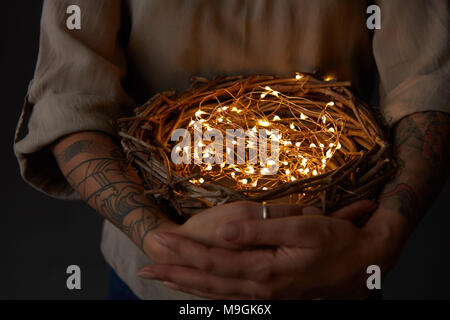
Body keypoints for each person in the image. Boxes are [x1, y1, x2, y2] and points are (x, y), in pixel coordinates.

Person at [14, 0, 449, 299]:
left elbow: (426, 81)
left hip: (331, 269)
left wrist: (379, 242)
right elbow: (69, 99)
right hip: (160, 281)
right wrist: (157, 237)